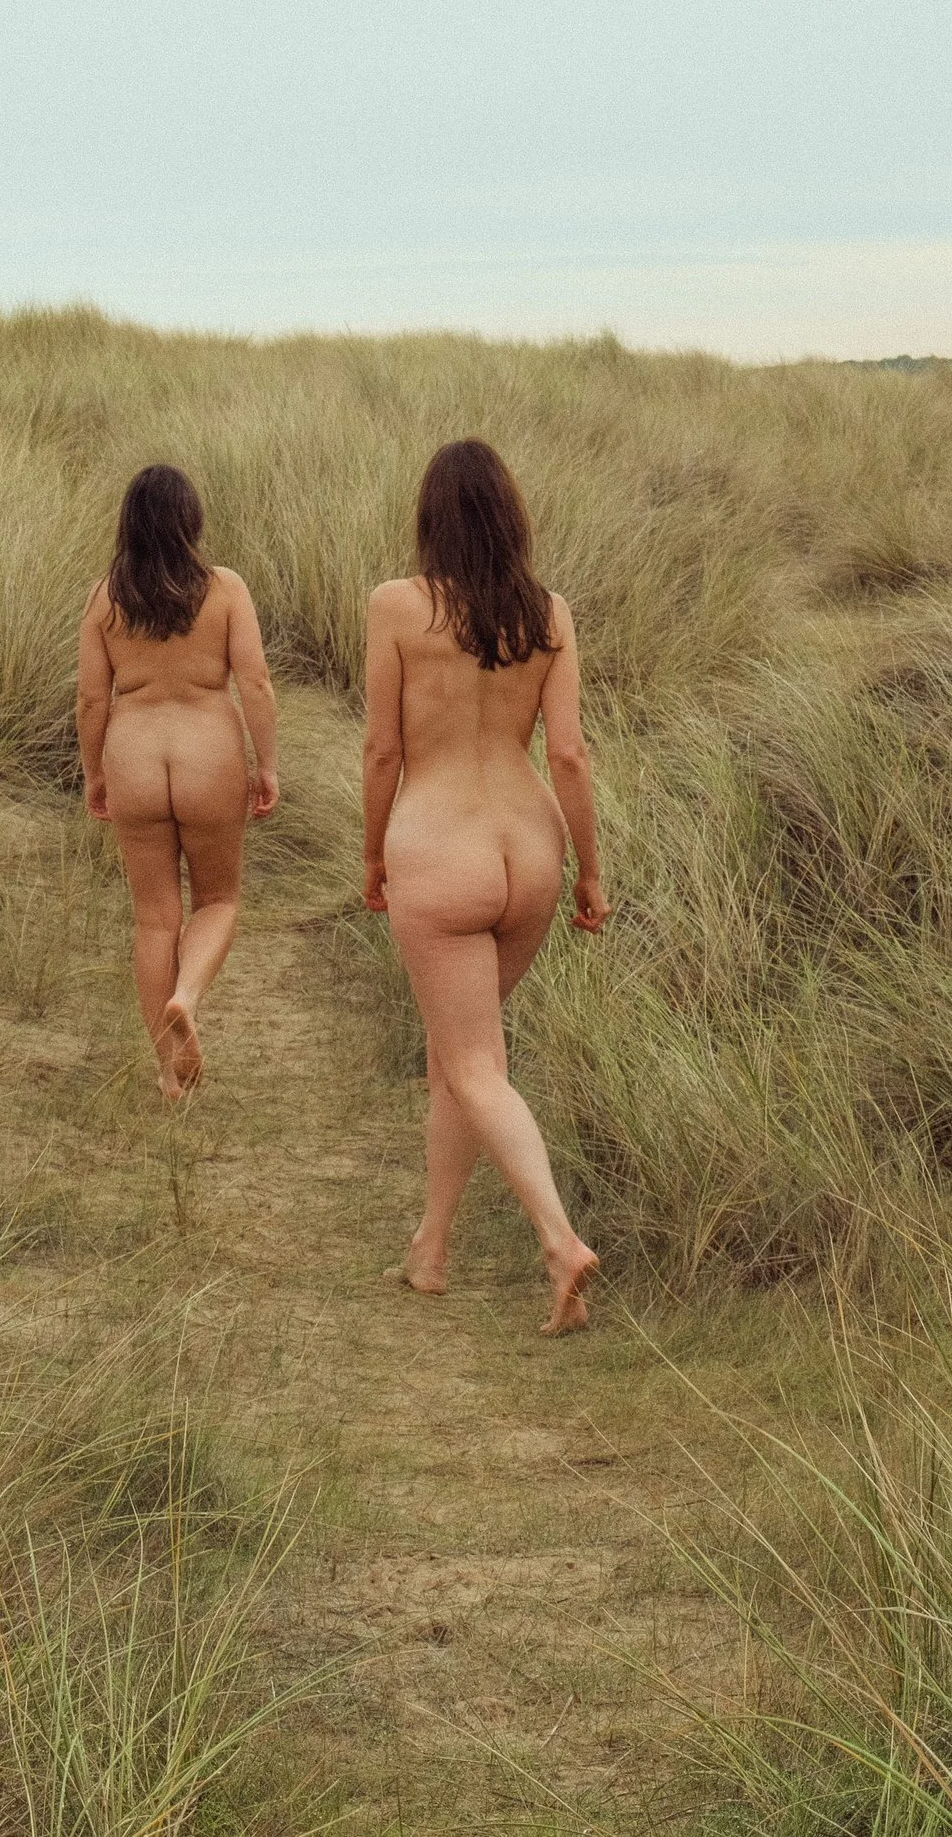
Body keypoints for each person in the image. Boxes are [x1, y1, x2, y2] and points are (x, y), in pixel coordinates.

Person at [363, 437, 608, 1332]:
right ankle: (430, 1248)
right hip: (529, 852)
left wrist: (370, 855)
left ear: (430, 517)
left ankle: (558, 1241)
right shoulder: (547, 613)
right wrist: (590, 871)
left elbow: (383, 748)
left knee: (472, 1062)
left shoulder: (395, 607)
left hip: (440, 848)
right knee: (462, 1059)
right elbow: (571, 756)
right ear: (512, 516)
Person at [77, 463, 279, 1101]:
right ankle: (186, 996)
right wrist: (267, 764)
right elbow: (256, 684)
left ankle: (168, 1075)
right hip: (208, 756)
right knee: (218, 902)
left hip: (134, 756)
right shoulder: (224, 590)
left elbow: (90, 699)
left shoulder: (105, 596)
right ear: (191, 521)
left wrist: (94, 774)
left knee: (154, 919)